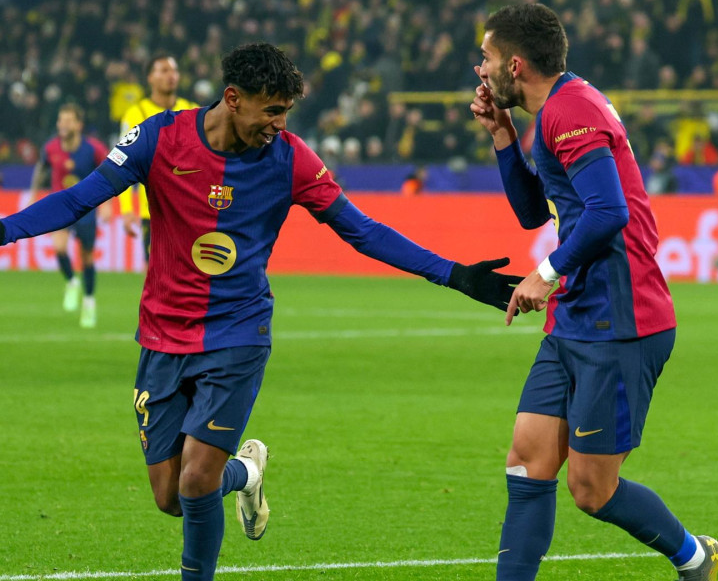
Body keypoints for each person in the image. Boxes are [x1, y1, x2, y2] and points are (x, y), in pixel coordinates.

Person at [0, 42, 522, 581]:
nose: (278, 124)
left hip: (238, 334)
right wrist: (5, 230)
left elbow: (362, 231)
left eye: (285, 113)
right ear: (233, 99)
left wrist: (454, 274)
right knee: (169, 495)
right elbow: (79, 198)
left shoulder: (292, 159)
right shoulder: (158, 138)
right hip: (163, 335)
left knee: (196, 482)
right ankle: (246, 471)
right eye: (270, 110)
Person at [470, 4, 718, 581]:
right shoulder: (549, 114)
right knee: (528, 463)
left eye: (485, 58)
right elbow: (537, 209)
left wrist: (546, 272)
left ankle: (694, 557)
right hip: (576, 319)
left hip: (622, 321)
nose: (480, 70)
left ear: (514, 63)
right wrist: (504, 138)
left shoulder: (571, 110)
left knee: (591, 489)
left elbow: (608, 211)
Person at [28, 102, 110, 328]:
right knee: (60, 247)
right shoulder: (51, 147)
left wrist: (108, 203)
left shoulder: (93, 148)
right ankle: (72, 282)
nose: (62, 124)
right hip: (61, 206)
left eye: (67, 120)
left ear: (78, 124)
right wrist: (34, 192)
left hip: (86, 207)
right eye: (60, 120)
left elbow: (111, 171)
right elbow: (41, 167)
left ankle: (89, 303)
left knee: (86, 258)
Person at [117, 54, 199, 268]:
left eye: (173, 70)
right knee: (157, 276)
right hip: (154, 212)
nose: (170, 76)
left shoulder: (193, 110)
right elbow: (123, 164)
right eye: (163, 70)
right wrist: (126, 209)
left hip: (189, 210)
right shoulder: (136, 114)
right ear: (150, 78)